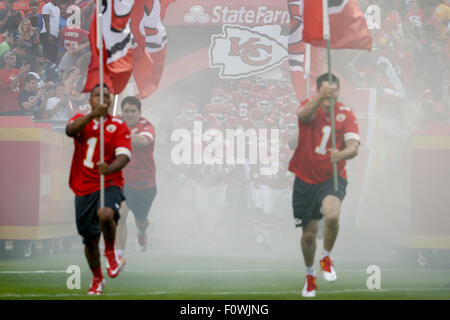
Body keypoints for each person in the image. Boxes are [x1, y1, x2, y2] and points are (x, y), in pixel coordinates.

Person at [288, 73, 360, 298]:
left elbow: (354, 146)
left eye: (334, 91)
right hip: (305, 178)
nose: (331, 96)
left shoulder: (346, 113)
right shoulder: (309, 108)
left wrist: (342, 154)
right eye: (326, 91)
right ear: (318, 90)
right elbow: (304, 115)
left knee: (331, 216)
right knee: (308, 236)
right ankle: (310, 275)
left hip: (332, 176)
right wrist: (319, 98)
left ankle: (326, 257)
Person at [65, 85, 132, 295]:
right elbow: (70, 130)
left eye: (106, 96)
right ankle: (97, 277)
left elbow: (124, 156)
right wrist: (93, 115)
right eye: (97, 96)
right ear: (91, 100)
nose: (102, 99)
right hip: (83, 186)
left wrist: (108, 168)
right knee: (90, 240)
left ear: (112, 101)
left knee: (106, 214)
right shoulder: (80, 120)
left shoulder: (118, 125)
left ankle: (111, 252)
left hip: (109, 182)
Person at [116, 96, 157, 269]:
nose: (129, 114)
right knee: (120, 216)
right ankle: (120, 258)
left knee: (141, 220)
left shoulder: (146, 126)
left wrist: (119, 135)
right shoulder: (115, 123)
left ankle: (141, 231)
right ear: (121, 111)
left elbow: (143, 141)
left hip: (145, 183)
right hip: (123, 181)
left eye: (133, 111)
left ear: (139, 113)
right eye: (126, 111)